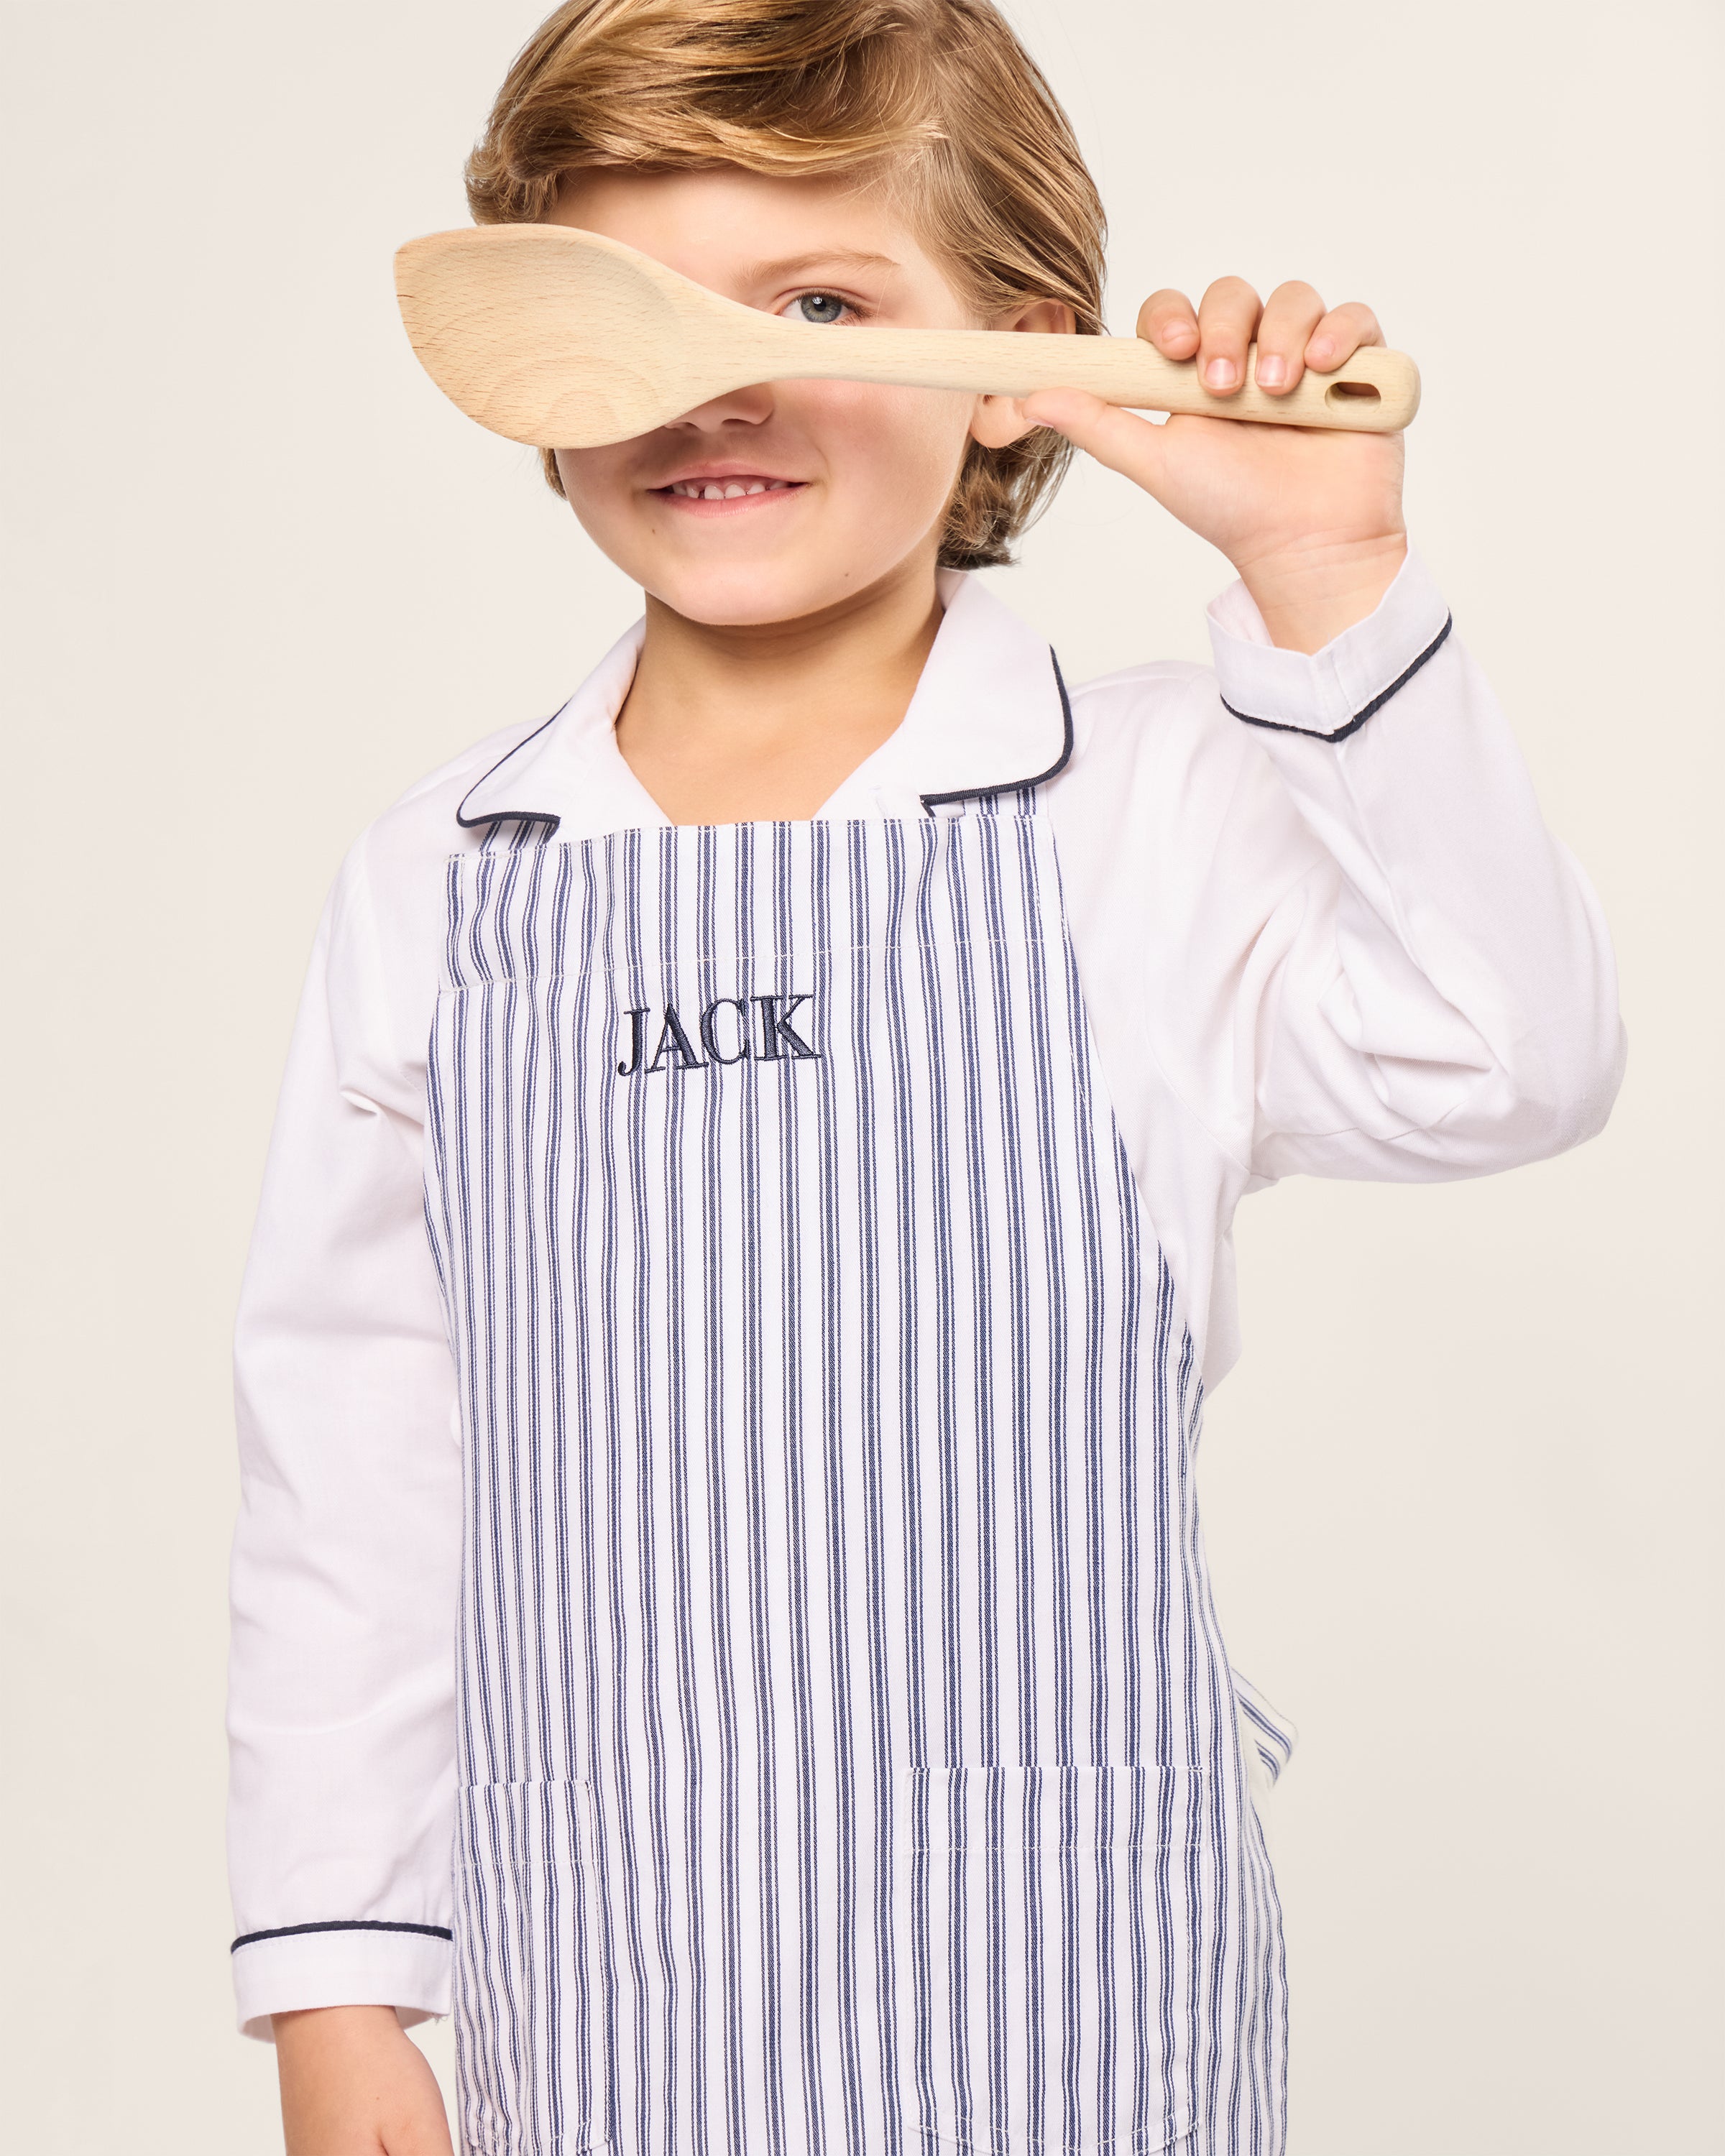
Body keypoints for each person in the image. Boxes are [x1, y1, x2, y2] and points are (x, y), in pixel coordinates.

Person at [224, 1, 1626, 2151]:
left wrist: (1323, 579)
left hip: (1072, 1990)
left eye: (819, 301)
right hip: (603, 1975)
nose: (724, 383)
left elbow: (1514, 1063)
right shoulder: (449, 879)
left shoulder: (1155, 802)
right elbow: (354, 1453)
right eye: (639, 312)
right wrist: (334, 1992)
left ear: (1017, 377)